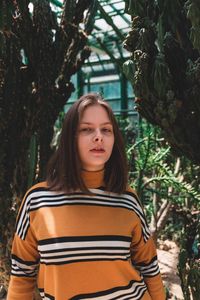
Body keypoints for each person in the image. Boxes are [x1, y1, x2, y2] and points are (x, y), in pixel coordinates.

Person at [7, 93, 166, 300]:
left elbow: (150, 267)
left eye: (106, 130)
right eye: (86, 129)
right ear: (69, 138)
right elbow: (21, 276)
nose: (98, 136)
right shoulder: (37, 201)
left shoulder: (127, 199)